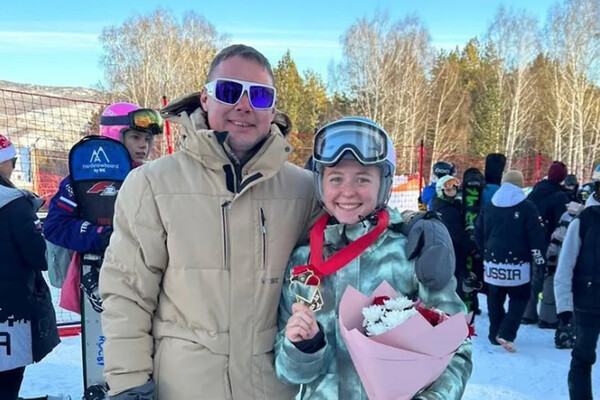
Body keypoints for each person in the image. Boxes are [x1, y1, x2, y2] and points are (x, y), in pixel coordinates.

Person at [99, 45, 457, 400]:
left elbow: (355, 214)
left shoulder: (301, 188)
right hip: (185, 387)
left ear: (272, 109)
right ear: (205, 99)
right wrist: (130, 385)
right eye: (229, 91)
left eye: (259, 95)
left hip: (268, 389)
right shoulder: (152, 185)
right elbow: (127, 293)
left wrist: (419, 223)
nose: (244, 105)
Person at [274, 117, 472, 399]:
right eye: (336, 178)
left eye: (362, 179)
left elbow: (457, 346)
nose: (348, 191)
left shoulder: (411, 253)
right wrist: (303, 347)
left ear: (383, 184)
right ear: (320, 184)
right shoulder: (302, 262)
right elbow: (288, 373)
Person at [43, 102, 162, 255]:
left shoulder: (152, 177)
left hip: (145, 262)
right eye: (135, 137)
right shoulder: (83, 179)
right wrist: (100, 236)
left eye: (147, 139)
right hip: (98, 263)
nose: (143, 145)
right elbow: (55, 226)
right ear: (114, 136)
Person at [0, 134, 68, 400]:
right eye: (13, 161)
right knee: (7, 381)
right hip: (10, 312)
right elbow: (39, 256)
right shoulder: (14, 204)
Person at [475, 170, 547, 352]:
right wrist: (539, 259)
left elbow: (479, 232)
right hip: (518, 263)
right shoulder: (527, 207)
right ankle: (506, 333)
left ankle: (494, 332)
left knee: (495, 297)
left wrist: (485, 253)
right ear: (520, 184)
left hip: (493, 261)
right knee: (520, 297)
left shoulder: (489, 205)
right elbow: (536, 236)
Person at [554, 180, 600, 400]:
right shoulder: (583, 221)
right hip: (588, 302)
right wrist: (564, 307)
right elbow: (565, 266)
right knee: (583, 357)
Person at [522, 161, 569, 325]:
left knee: (533, 276)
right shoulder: (560, 196)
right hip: (549, 242)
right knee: (550, 275)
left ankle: (527, 312)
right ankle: (547, 317)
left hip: (530, 240)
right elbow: (561, 222)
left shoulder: (535, 191)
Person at [538, 201, 583, 330]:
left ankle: (547, 318)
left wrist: (551, 257)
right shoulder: (583, 218)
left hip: (557, 254)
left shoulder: (567, 214)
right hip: (575, 259)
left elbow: (556, 237)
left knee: (552, 284)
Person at [433, 175, 476, 300]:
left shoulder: (440, 204)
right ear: (441, 191)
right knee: (457, 280)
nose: (452, 192)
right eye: (448, 190)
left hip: (445, 250)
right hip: (454, 250)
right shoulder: (448, 211)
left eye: (454, 189)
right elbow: (457, 234)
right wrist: (472, 247)